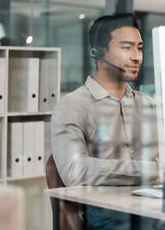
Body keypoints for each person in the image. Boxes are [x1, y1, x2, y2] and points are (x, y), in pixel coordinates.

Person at [51, 13, 159, 229]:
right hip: (109, 211)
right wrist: (148, 170)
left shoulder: (148, 104)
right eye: (127, 48)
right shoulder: (73, 106)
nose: (137, 56)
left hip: (153, 202)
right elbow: (75, 170)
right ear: (98, 52)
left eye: (139, 47)